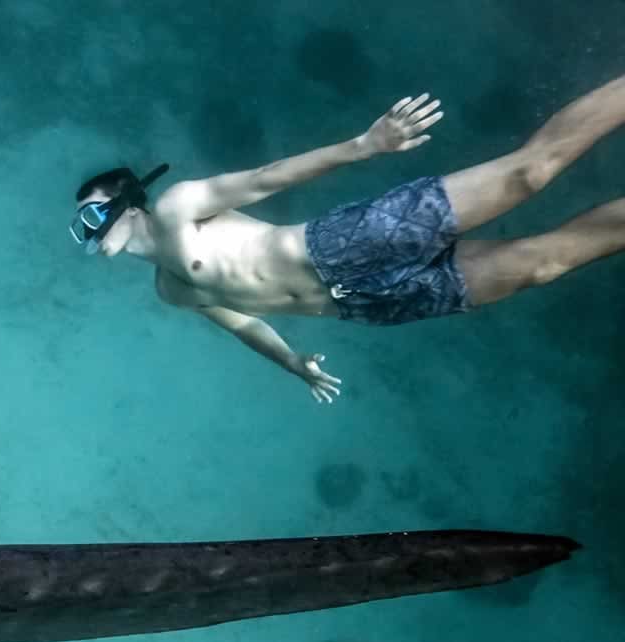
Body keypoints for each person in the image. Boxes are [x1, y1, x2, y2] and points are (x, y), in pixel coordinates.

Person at [71, 75, 625, 402]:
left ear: (125, 199)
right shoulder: (170, 291)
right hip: (367, 305)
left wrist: (365, 144)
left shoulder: (175, 207)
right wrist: (291, 363)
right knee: (541, 266)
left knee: (527, 174)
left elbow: (267, 177)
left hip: (345, 245)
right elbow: (242, 320)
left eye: (90, 215)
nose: (89, 233)